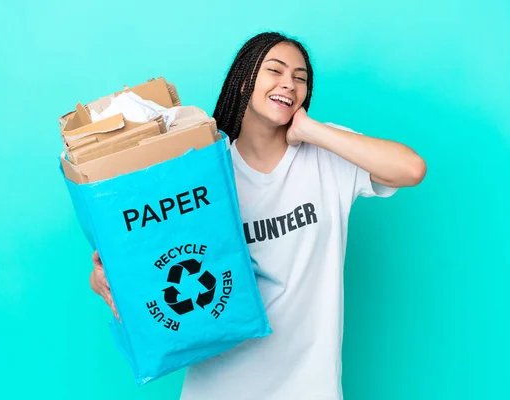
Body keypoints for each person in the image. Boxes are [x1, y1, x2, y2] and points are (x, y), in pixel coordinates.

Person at [91, 31, 426, 399]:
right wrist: (105, 278)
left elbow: (410, 169)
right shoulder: (204, 175)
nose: (289, 83)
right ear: (244, 80)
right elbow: (160, 255)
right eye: (275, 71)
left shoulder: (328, 156)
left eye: (300, 78)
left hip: (310, 387)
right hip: (220, 385)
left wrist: (312, 130)